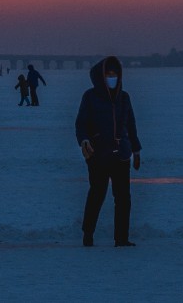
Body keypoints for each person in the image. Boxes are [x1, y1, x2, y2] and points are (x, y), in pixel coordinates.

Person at [74, 56, 141, 247]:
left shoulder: (124, 97)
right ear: (101, 76)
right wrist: (85, 141)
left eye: (115, 75)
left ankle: (121, 238)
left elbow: (131, 125)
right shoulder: (90, 96)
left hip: (121, 155)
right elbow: (81, 124)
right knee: (97, 194)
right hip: (98, 156)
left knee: (123, 198)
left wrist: (136, 150)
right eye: (108, 74)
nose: (112, 78)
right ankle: (88, 234)